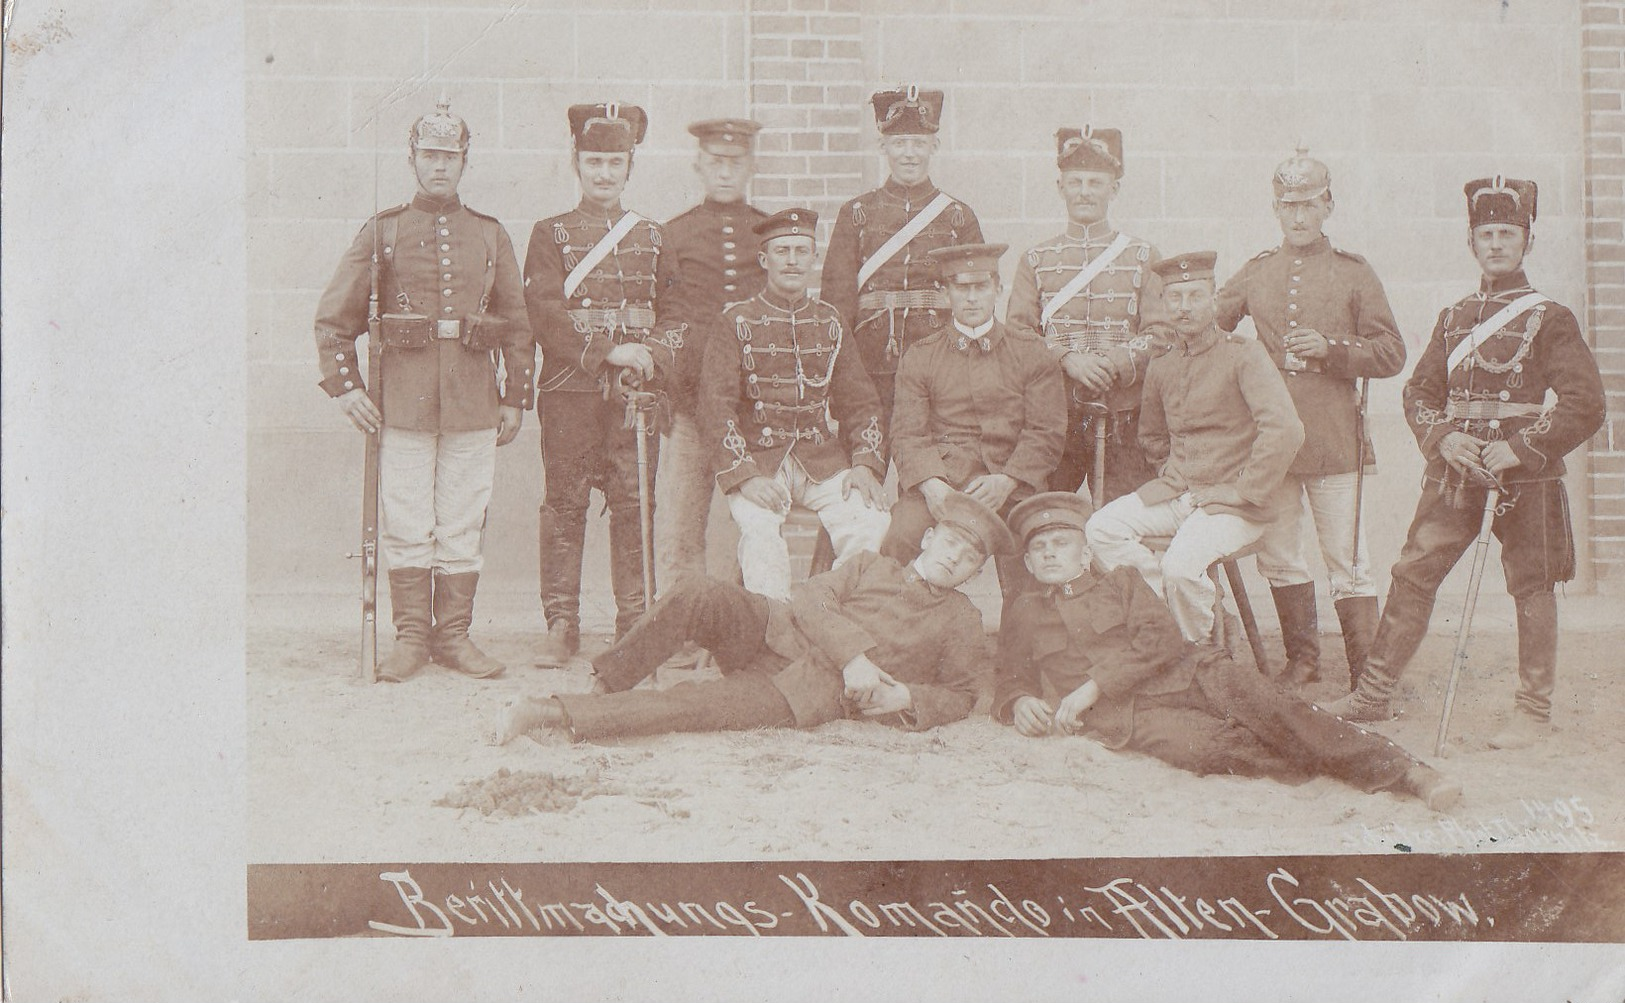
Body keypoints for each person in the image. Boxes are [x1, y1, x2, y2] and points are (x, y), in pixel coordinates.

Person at [1326, 176, 1606, 750]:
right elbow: (1418, 393)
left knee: (1532, 585)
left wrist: (1522, 448)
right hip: (1455, 474)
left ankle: (1532, 711)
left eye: (1508, 233)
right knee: (1413, 573)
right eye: (1486, 234)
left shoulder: (1550, 317)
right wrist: (1446, 438)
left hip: (1526, 477)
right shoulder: (1454, 318)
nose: (1496, 244)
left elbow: (1586, 403)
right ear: (1471, 243)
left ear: (1527, 241)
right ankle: (1374, 694)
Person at [994, 492, 1463, 810]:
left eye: (1062, 543)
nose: (1051, 553)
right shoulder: (1023, 612)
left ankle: (1406, 773)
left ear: (1084, 554)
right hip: (1132, 715)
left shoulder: (1122, 582)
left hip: (1193, 673)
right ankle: (1338, 765)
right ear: (1030, 564)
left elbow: (1162, 640)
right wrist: (1020, 702)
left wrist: (1090, 688)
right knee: (1212, 750)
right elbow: (1010, 678)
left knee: (1280, 712)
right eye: (1040, 549)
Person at [494, 492, 1013, 744]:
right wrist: (855, 655)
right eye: (949, 543)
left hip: (810, 690)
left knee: (692, 706)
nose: (953, 559)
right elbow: (810, 597)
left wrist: (910, 698)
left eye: (969, 558)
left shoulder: (961, 619)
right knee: (700, 593)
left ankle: (548, 714)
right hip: (775, 629)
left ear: (977, 569)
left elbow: (965, 693)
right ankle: (607, 686)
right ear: (928, 538)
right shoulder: (870, 564)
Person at [314, 97, 533, 682]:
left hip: (473, 402)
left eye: (451, 156)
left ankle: (455, 637)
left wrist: (515, 397)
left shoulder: (490, 236)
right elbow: (334, 319)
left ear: (466, 162)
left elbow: (516, 321)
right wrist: (345, 388)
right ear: (412, 159)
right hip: (401, 403)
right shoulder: (383, 231)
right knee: (408, 521)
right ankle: (412, 638)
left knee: (462, 521)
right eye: (430, 155)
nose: (441, 166)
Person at [1215, 148, 1407, 688]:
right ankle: (1302, 661)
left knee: (1347, 558)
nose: (1297, 217)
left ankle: (1366, 673)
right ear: (1275, 210)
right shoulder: (1257, 271)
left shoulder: (1353, 271)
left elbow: (1391, 352)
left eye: (1307, 204)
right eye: (1286, 206)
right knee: (1279, 553)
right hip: (1271, 443)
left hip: (1332, 436)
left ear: (1328, 206)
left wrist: (1332, 349)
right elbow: (1209, 329)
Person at [1085, 252, 1304, 644]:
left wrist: (1241, 489)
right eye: (1175, 298)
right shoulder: (1163, 364)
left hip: (1233, 504)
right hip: (1179, 494)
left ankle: (1196, 658)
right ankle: (1176, 616)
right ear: (1164, 303)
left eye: (1194, 296)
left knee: (1182, 568)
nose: (1184, 308)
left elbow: (1286, 429)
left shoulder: (1244, 355)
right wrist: (1173, 470)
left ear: (1214, 298)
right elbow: (1152, 435)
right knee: (1100, 529)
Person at [524, 103, 665, 666]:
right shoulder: (549, 233)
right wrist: (608, 351)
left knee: (635, 502)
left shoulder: (654, 237)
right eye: (593, 161)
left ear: (630, 167)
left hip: (636, 395)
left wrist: (650, 355)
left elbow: (675, 316)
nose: (604, 172)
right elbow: (544, 313)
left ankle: (633, 620)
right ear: (575, 164)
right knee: (565, 502)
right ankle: (561, 622)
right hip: (569, 391)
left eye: (615, 162)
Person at [698, 208, 891, 601]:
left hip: (820, 459)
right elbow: (715, 408)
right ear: (764, 260)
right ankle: (774, 629)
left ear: (813, 258)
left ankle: (830, 612)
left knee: (871, 521)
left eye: (801, 251)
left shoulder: (830, 322)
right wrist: (746, 475)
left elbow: (862, 402)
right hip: (759, 461)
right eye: (782, 250)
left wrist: (865, 464)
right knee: (760, 532)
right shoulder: (736, 321)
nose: (792, 260)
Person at [881, 242, 1065, 619]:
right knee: (901, 535)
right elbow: (908, 433)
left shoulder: (1031, 352)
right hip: (944, 482)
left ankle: (1020, 662)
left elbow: (1046, 431)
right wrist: (933, 486)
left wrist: (1009, 480)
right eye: (960, 288)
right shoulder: (921, 355)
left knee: (1030, 550)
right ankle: (895, 636)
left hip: (1012, 484)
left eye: (980, 287)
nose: (970, 298)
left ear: (998, 289)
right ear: (946, 293)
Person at [1006, 125, 1172, 501]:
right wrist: (1067, 359)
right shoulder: (1035, 259)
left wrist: (1113, 362)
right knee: (1041, 517)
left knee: (1122, 523)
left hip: (1123, 415)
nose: (1084, 191)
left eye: (1095, 182)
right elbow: (1017, 331)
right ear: (1060, 187)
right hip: (1054, 412)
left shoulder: (1143, 256)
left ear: (1114, 189)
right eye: (1075, 181)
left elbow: (1161, 332)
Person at [649, 118, 770, 592]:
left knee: (746, 524)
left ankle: (735, 623)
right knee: (681, 518)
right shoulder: (674, 235)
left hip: (749, 407)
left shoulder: (768, 233)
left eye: (735, 163)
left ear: (751, 167)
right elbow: (667, 318)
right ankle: (680, 622)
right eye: (715, 162)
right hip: (690, 403)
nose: (725, 172)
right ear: (698, 164)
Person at [822, 86, 982, 427]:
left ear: (934, 146)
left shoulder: (958, 216)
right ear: (883, 147)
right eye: (899, 143)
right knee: (862, 464)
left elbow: (976, 298)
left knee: (932, 467)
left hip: (940, 364)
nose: (909, 154)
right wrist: (843, 373)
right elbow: (837, 300)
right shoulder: (855, 213)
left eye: (919, 143)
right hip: (870, 363)